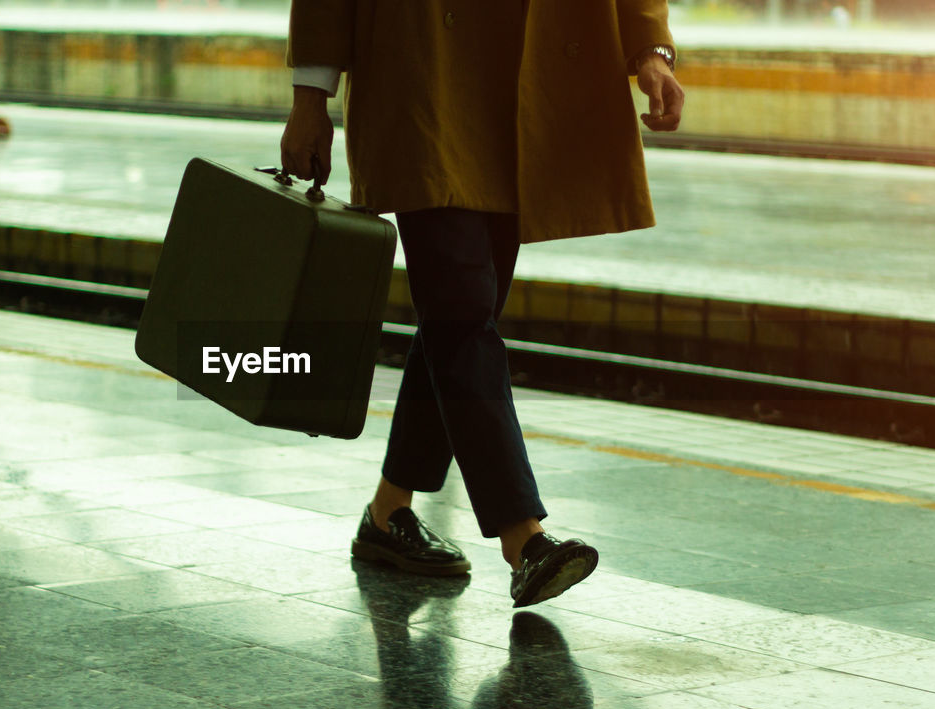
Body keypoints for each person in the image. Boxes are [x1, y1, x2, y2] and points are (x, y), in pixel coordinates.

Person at [281, 0, 685, 608]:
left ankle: (389, 514)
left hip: (523, 73)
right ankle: (525, 541)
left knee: (461, 313)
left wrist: (651, 50)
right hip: (423, 75)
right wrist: (309, 99)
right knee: (464, 311)